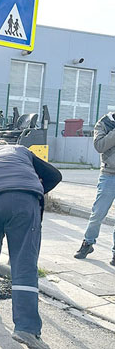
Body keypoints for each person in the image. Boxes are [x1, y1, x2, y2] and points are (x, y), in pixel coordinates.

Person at [0, 140, 62, 349]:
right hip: (22, 200)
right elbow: (55, 175)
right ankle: (26, 328)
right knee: (24, 262)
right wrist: (34, 187)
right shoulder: (21, 150)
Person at [74, 112, 115, 266]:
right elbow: (100, 146)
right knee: (98, 213)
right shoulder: (104, 123)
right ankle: (88, 243)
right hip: (109, 174)